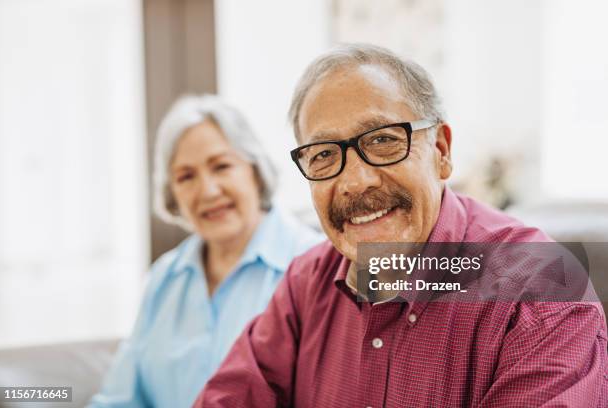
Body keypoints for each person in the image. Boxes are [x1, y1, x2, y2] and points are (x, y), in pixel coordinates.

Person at [195, 45, 608, 407]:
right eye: (322, 155)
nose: (356, 181)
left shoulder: (543, 290)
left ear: (441, 151)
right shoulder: (307, 282)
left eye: (382, 140)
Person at [89, 95, 323, 408]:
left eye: (222, 166)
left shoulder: (315, 264)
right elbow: (120, 399)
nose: (208, 191)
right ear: (172, 193)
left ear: (254, 170)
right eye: (186, 176)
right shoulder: (165, 276)